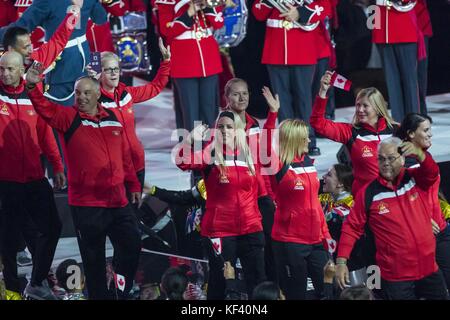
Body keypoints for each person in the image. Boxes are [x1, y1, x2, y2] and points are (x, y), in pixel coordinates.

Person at [25, 67, 142, 300]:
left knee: (132, 244)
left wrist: (134, 185)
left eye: (87, 93)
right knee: (93, 261)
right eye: (78, 93)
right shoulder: (68, 118)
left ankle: (118, 289)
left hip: (118, 201)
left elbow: (125, 156)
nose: (81, 97)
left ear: (98, 94)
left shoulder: (113, 119)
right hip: (87, 205)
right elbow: (44, 108)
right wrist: (31, 87)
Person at [335, 137, 448, 300]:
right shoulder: (368, 193)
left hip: (429, 269)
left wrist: (420, 155)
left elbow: (432, 172)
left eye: (390, 158)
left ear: (402, 159)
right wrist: (341, 262)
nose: (385, 163)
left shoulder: (415, 178)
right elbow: (351, 227)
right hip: (397, 278)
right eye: (381, 158)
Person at [176, 111, 267, 299]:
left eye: (229, 127)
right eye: (220, 127)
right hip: (220, 231)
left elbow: (260, 190)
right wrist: (190, 140)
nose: (224, 131)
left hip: (251, 229)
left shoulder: (249, 154)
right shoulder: (210, 153)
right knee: (220, 282)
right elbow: (182, 162)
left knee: (257, 281)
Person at [0, 52, 64, 300]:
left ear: (21, 70)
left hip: (35, 178)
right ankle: (14, 290)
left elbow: (46, 133)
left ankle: (37, 281)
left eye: (10, 69)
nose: (5, 73)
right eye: (1, 69)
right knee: (8, 236)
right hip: (6, 181)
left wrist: (57, 166)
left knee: (53, 227)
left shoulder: (33, 93)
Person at [262, 87, 332, 300]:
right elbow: (265, 147)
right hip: (290, 242)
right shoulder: (280, 166)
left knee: (327, 290)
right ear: (294, 139)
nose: (310, 141)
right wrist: (273, 114)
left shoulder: (309, 162)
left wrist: (326, 234)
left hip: (316, 240)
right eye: (305, 138)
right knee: (296, 295)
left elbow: (314, 204)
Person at [252, 0, 333, 156]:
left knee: (303, 98)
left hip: (302, 46)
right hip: (276, 49)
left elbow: (325, 6)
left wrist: (300, 13)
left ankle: (307, 141)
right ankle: (288, 142)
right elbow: (258, 13)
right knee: (281, 100)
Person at [0, 0, 108, 106]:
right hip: (85, 58)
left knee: (60, 113)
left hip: (60, 62)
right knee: (87, 108)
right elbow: (101, 19)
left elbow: (22, 26)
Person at [96, 38, 170, 190]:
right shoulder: (95, 101)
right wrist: (92, 82)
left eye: (116, 69)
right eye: (108, 69)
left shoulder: (127, 93)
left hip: (137, 161)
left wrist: (166, 62)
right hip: (114, 166)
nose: (113, 73)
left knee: (135, 207)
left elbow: (155, 87)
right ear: (100, 73)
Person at [222, 78, 277, 282]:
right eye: (236, 94)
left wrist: (272, 115)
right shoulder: (223, 126)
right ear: (227, 98)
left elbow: (265, 156)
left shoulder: (254, 123)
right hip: (239, 200)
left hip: (261, 195)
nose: (242, 97)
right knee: (251, 253)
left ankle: (272, 290)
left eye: (245, 93)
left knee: (272, 245)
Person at [310, 70, 397, 195]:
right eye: (357, 105)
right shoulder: (350, 132)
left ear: (378, 108)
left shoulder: (395, 130)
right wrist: (323, 92)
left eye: (365, 106)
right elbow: (318, 123)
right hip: (365, 201)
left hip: (394, 196)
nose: (360, 110)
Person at [396, 113, 450, 291]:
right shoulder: (406, 164)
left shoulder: (423, 156)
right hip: (423, 235)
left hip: (440, 229)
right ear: (411, 134)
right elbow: (402, 202)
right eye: (425, 130)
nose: (430, 134)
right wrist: (423, 220)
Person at [156, 0, 224, 130]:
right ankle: (192, 148)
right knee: (190, 111)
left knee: (210, 109)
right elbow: (166, 29)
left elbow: (218, 23)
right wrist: (188, 13)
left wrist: (207, 6)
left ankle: (209, 145)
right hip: (184, 61)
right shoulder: (167, 2)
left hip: (208, 59)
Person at [373, 0, 421, 121]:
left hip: (404, 27)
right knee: (391, 82)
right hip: (382, 30)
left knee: (409, 81)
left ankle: (414, 121)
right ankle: (398, 121)